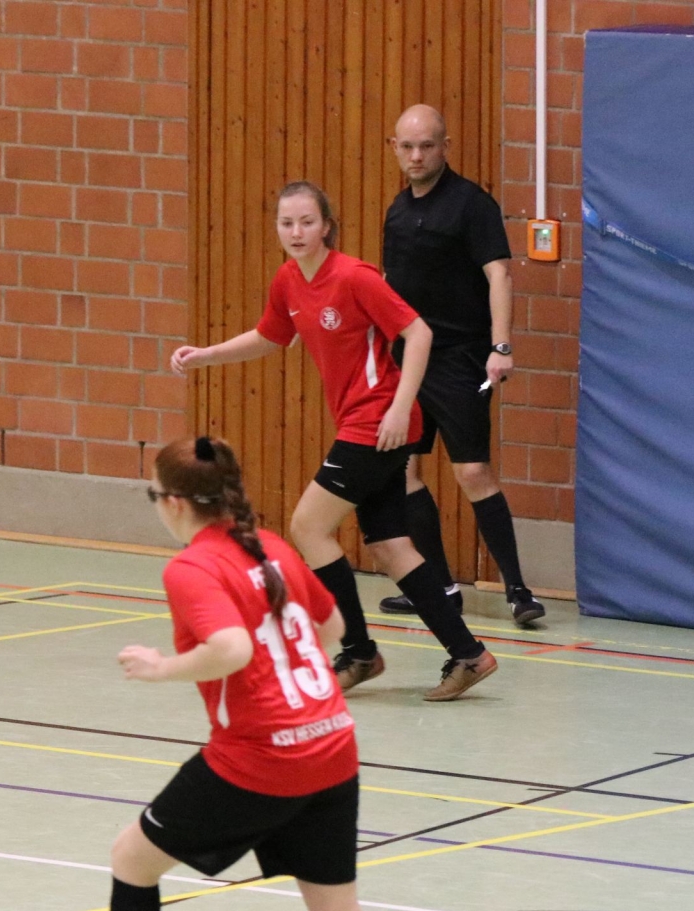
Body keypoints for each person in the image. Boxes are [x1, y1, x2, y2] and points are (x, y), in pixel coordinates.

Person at [15, 437, 462, 911]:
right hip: (331, 746)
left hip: (259, 756)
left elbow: (229, 647)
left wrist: (162, 668)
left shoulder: (193, 568)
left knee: (132, 859)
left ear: (174, 503)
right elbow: (333, 628)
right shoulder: (271, 547)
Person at [169, 181, 498, 702]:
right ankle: (469, 655)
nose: (296, 232)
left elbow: (419, 333)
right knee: (390, 546)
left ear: (326, 226)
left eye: (306, 222)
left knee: (308, 525)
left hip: (377, 422)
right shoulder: (288, 280)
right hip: (363, 423)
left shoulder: (353, 276)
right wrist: (204, 355)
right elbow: (270, 336)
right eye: (286, 223)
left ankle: (360, 652)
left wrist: (398, 407)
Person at [378, 104, 545, 628]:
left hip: (461, 357)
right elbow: (390, 287)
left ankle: (517, 590)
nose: (416, 155)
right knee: (403, 471)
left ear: (445, 147)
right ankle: (441, 588)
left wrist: (501, 346)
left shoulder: (472, 205)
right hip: (410, 360)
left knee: (471, 471)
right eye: (407, 146)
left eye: (426, 145)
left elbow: (499, 275)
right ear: (395, 149)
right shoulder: (397, 212)